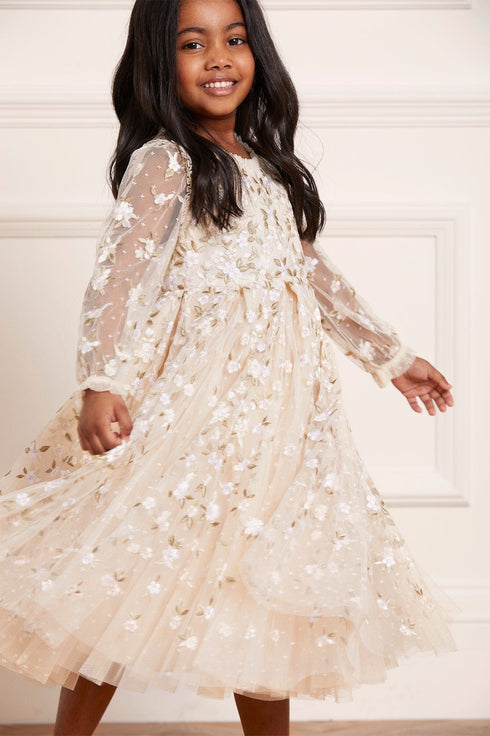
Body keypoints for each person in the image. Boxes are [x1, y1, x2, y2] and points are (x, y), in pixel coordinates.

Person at [0, 0, 460, 734]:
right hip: (197, 413)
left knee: (269, 588)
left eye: (234, 39)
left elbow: (310, 275)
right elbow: (119, 275)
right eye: (193, 43)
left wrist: (392, 356)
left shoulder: (268, 168)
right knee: (127, 575)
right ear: (160, 61)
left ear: (257, 53)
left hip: (279, 425)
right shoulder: (167, 162)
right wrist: (101, 380)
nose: (218, 57)